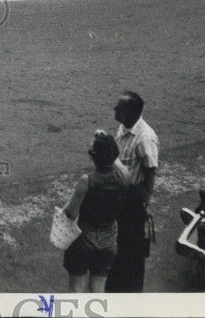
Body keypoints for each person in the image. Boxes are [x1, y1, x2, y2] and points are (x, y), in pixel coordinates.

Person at [61, 131, 130, 293]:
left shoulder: (87, 181)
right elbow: (116, 162)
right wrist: (107, 142)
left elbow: (71, 213)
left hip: (85, 236)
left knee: (77, 289)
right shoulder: (124, 177)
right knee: (98, 289)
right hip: (109, 237)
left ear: (94, 157)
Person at [106, 91, 159, 292]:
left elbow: (151, 170)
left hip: (133, 198)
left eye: (119, 108)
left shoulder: (145, 138)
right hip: (118, 194)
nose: (114, 110)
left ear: (129, 111)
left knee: (133, 249)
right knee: (116, 243)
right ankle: (115, 284)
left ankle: (131, 292)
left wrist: (145, 202)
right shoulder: (123, 128)